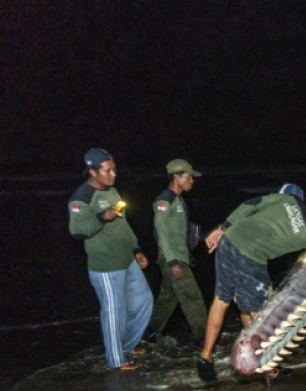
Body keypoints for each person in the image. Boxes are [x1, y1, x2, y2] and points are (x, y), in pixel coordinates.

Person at [197, 186, 306, 383]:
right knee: (262, 314)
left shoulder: (292, 200)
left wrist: (222, 228)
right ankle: (270, 372)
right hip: (250, 257)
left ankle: (206, 357)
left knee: (222, 300)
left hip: (230, 240)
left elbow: (250, 204)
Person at [68, 148, 153, 370]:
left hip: (127, 260)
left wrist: (136, 249)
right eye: (108, 170)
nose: (114, 174)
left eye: (114, 169)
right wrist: (100, 217)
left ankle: (127, 344)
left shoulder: (112, 191)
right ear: (93, 172)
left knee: (144, 301)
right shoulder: (81, 197)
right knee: (114, 313)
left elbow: (122, 225)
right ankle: (116, 361)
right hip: (105, 266)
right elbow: (77, 231)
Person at [147, 159, 208, 344]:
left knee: (168, 299)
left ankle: (149, 334)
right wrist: (173, 262)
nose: (192, 181)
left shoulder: (179, 200)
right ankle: (206, 340)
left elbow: (180, 232)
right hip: (172, 258)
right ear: (176, 176)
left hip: (179, 256)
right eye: (189, 177)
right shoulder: (165, 200)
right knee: (193, 298)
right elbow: (161, 232)